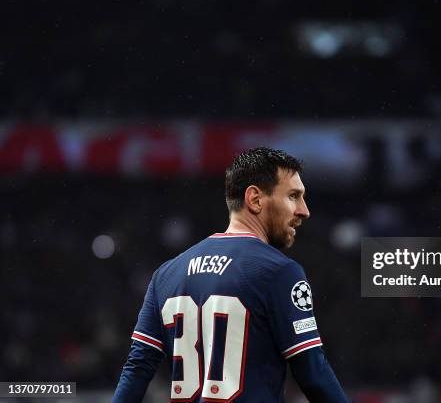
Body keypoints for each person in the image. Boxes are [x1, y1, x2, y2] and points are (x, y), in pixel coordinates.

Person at [113, 147, 351, 402]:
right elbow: (313, 373)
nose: (304, 210)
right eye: (293, 196)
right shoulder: (279, 271)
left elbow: (137, 369)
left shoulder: (167, 273)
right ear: (255, 199)